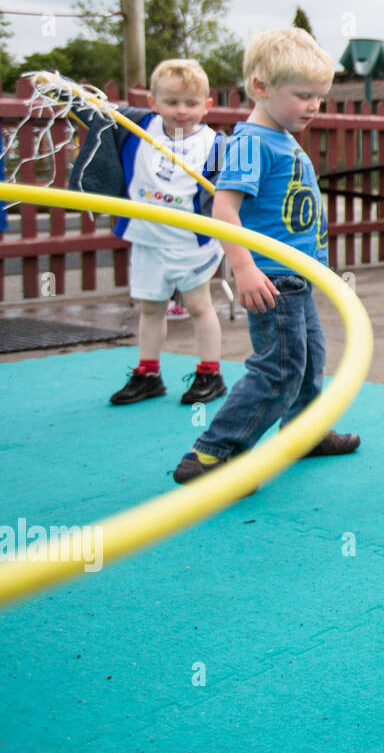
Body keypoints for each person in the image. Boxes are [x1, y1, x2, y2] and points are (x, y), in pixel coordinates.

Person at [173, 29, 359, 484]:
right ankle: (213, 454)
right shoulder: (253, 142)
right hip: (271, 276)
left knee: (311, 359)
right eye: (303, 96)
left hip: (296, 274)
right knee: (279, 369)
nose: (314, 107)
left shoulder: (280, 137)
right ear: (261, 87)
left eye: (320, 97)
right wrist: (243, 268)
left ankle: (302, 431)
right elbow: (224, 209)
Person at [69, 59, 227, 407]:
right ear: (153, 103)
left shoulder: (215, 144)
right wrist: (61, 87)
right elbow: (91, 108)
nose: (181, 111)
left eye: (191, 103)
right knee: (151, 308)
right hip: (146, 238)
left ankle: (210, 373)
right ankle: (148, 374)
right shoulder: (137, 125)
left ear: (207, 105)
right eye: (171, 102)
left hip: (190, 241)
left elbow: (225, 195)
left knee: (200, 306)